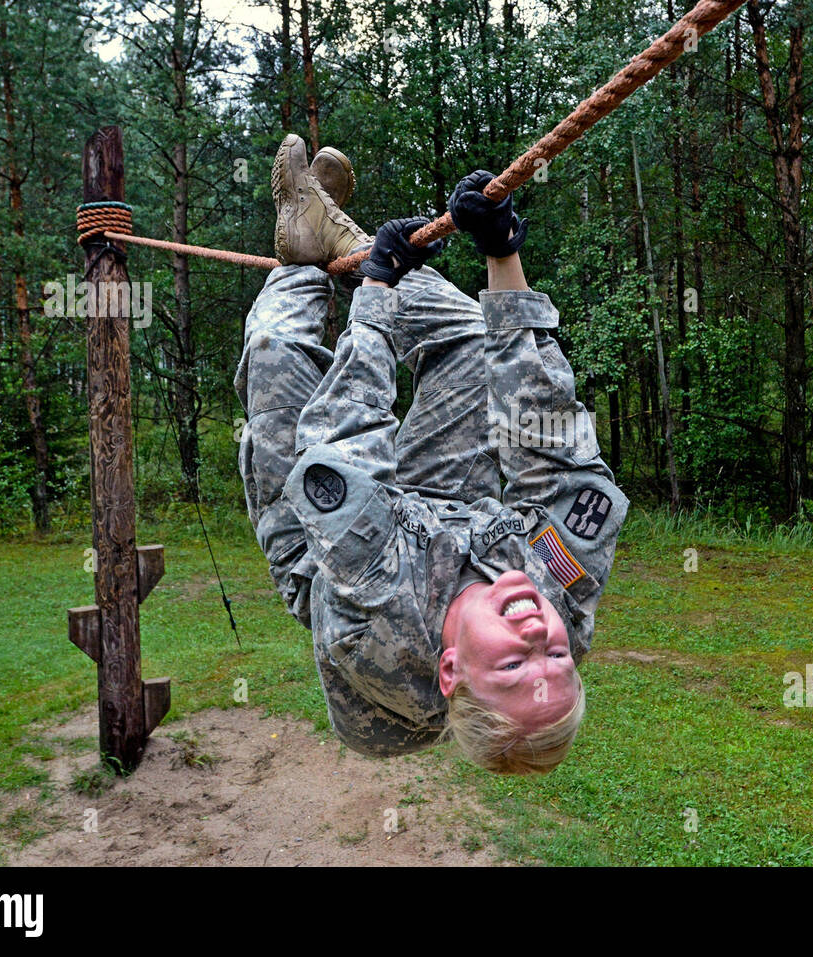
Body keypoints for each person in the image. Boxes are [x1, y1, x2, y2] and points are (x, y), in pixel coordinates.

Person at [235, 133, 628, 774]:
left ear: (450, 668)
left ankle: (301, 257)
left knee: (281, 348)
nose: (538, 637)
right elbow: (550, 443)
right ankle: (327, 234)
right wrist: (503, 254)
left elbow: (344, 438)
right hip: (445, 518)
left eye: (512, 662)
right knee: (475, 343)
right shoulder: (561, 598)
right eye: (556, 658)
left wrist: (379, 289)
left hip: (325, 545)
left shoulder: (381, 615)